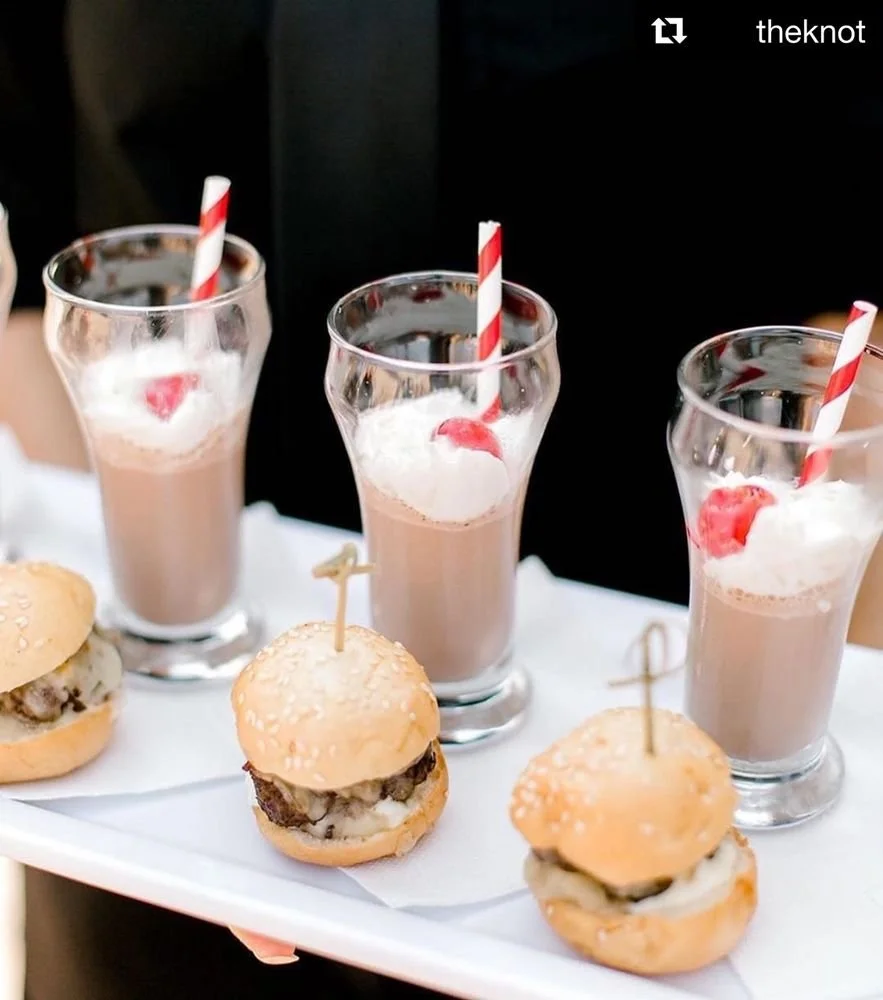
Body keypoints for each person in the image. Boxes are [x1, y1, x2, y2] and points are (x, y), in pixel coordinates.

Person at [3, 2, 883, 997]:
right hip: (161, 837)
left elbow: (845, 297)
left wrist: (785, 781)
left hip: (614, 698)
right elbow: (33, 246)